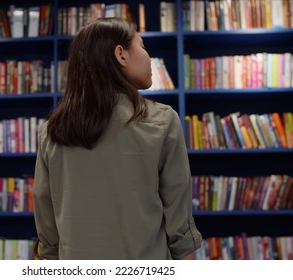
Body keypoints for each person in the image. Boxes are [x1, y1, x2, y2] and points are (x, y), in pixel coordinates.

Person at [33, 17, 201, 260]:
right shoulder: (162, 121)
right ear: (121, 55)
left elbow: (46, 223)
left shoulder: (51, 131)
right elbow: (180, 226)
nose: (148, 57)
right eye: (142, 46)